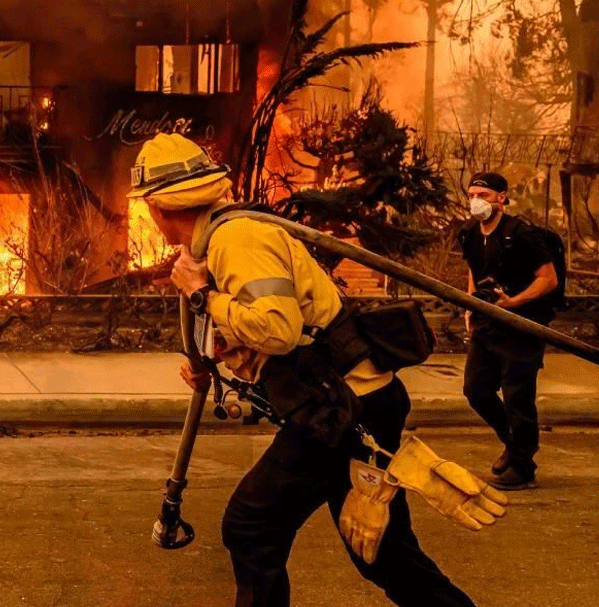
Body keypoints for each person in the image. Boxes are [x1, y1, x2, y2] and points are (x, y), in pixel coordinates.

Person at [132, 133, 486, 607]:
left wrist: (202, 295)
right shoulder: (214, 244)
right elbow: (255, 324)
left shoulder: (237, 239)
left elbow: (277, 328)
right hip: (345, 403)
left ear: (155, 207)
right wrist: (207, 361)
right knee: (381, 554)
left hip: (344, 408)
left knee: (252, 524)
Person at [458, 171, 558, 490]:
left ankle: (523, 466)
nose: (476, 201)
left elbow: (548, 279)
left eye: (483, 196)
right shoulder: (470, 232)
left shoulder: (523, 234)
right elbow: (475, 272)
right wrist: (469, 306)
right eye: (472, 195)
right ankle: (513, 445)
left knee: (518, 396)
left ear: (502, 197)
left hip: (522, 325)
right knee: (476, 390)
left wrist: (514, 302)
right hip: (486, 324)